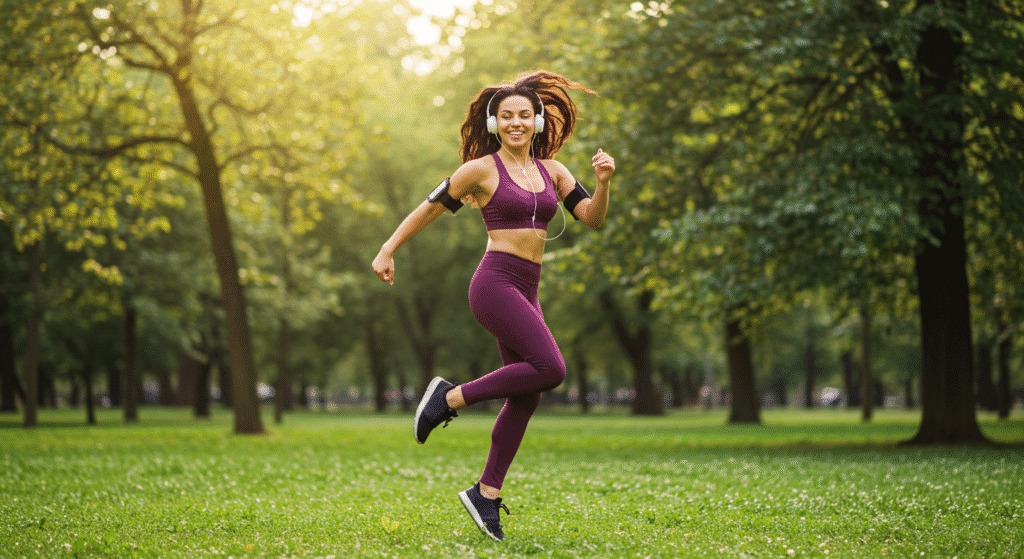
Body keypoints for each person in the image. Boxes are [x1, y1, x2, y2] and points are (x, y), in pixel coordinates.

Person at [371, 70, 615, 541]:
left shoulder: (555, 172)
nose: (517, 123)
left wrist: (603, 182)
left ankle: (486, 493)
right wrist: (388, 248)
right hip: (495, 283)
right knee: (551, 367)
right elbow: (429, 209)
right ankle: (449, 398)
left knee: (527, 393)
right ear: (494, 122)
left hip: (528, 287)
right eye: (507, 116)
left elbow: (592, 218)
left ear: (538, 121)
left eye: (525, 115)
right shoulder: (480, 170)